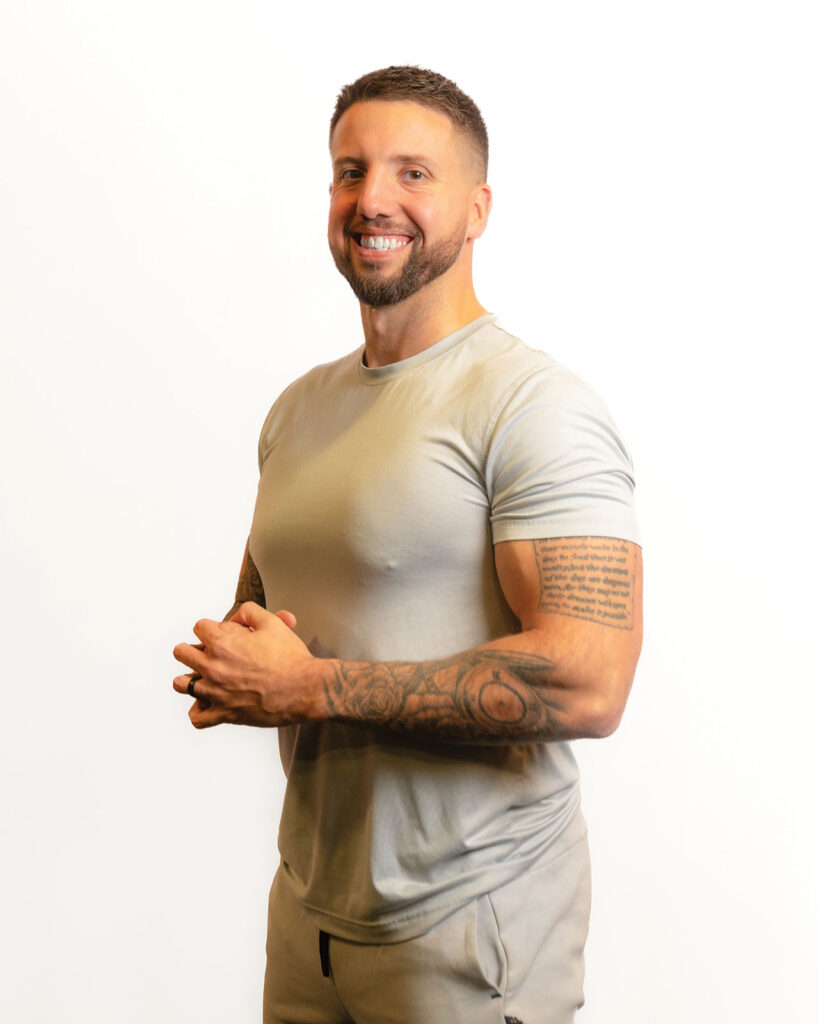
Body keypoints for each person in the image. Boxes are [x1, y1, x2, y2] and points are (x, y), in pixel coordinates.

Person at [173, 65, 643, 1024]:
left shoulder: (532, 405)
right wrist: (234, 662)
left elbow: (590, 681)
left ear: (477, 209)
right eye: (350, 171)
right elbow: (266, 614)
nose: (372, 199)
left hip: (469, 921)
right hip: (308, 909)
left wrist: (310, 688)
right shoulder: (299, 408)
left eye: (412, 173)